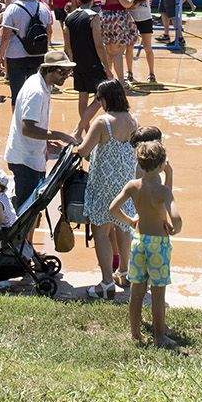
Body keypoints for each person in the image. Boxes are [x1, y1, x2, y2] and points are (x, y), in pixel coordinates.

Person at [109, 140, 180, 348]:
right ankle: (159, 337)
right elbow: (176, 218)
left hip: (138, 241)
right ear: (161, 165)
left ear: (139, 163)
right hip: (158, 244)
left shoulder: (133, 186)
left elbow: (113, 207)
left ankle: (135, 334)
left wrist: (131, 221)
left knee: (137, 291)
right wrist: (175, 229)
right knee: (158, 293)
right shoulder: (164, 191)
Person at [75, 80, 138, 299]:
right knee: (123, 227)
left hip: (103, 184)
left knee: (101, 231)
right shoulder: (132, 121)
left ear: (105, 99)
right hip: (125, 185)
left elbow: (83, 150)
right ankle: (124, 272)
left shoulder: (102, 123)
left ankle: (106, 282)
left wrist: (72, 145)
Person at [3, 57, 76, 209]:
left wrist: (46, 144)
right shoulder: (36, 92)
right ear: (51, 70)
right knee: (25, 212)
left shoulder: (43, 85)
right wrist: (60, 135)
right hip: (25, 161)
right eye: (63, 73)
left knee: (32, 210)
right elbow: (27, 128)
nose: (66, 77)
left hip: (32, 156)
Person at [0, 0, 52, 101]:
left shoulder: (12, 8)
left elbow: (5, 35)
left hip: (16, 55)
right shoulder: (43, 8)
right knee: (35, 93)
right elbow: (49, 31)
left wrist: (0, 55)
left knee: (17, 95)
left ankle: (16, 120)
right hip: (38, 55)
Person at [96, 0, 138, 85]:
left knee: (109, 51)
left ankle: (107, 79)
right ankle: (121, 81)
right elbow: (127, 3)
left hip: (105, 19)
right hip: (116, 20)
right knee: (117, 51)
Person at [130, 0, 158, 83]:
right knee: (129, 47)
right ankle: (129, 72)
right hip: (133, 19)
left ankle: (152, 73)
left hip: (145, 18)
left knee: (147, 47)